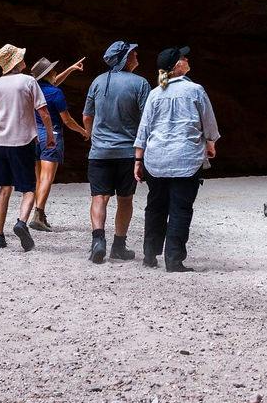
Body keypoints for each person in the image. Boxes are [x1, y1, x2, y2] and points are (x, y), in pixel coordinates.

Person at [133, 46, 220, 272]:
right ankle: (174, 260)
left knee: (155, 208)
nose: (187, 59)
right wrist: (210, 143)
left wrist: (138, 160)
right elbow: (208, 121)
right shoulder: (195, 90)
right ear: (177, 66)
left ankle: (149, 255)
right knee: (180, 210)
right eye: (183, 57)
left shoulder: (154, 93)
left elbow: (144, 129)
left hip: (156, 160)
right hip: (186, 160)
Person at [82, 41, 151, 264]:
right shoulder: (140, 84)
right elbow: (147, 119)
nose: (136, 54)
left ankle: (97, 241)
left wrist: (93, 137)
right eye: (132, 53)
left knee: (99, 197)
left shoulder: (97, 82)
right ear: (125, 58)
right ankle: (118, 246)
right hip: (127, 152)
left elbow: (86, 116)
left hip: (99, 152)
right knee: (125, 198)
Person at [0, 44, 48, 251]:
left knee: (4, 188)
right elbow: (43, 111)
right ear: (16, 62)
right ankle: (21, 222)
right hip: (22, 142)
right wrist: (49, 137)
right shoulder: (28, 81)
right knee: (28, 188)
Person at [24, 56, 89, 231]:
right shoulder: (56, 93)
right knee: (47, 177)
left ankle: (39, 214)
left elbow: (53, 83)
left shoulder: (32, 89)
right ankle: (38, 214)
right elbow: (66, 120)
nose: (55, 73)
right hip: (50, 136)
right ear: (49, 73)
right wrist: (83, 131)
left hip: (33, 136)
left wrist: (70, 69)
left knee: (39, 178)